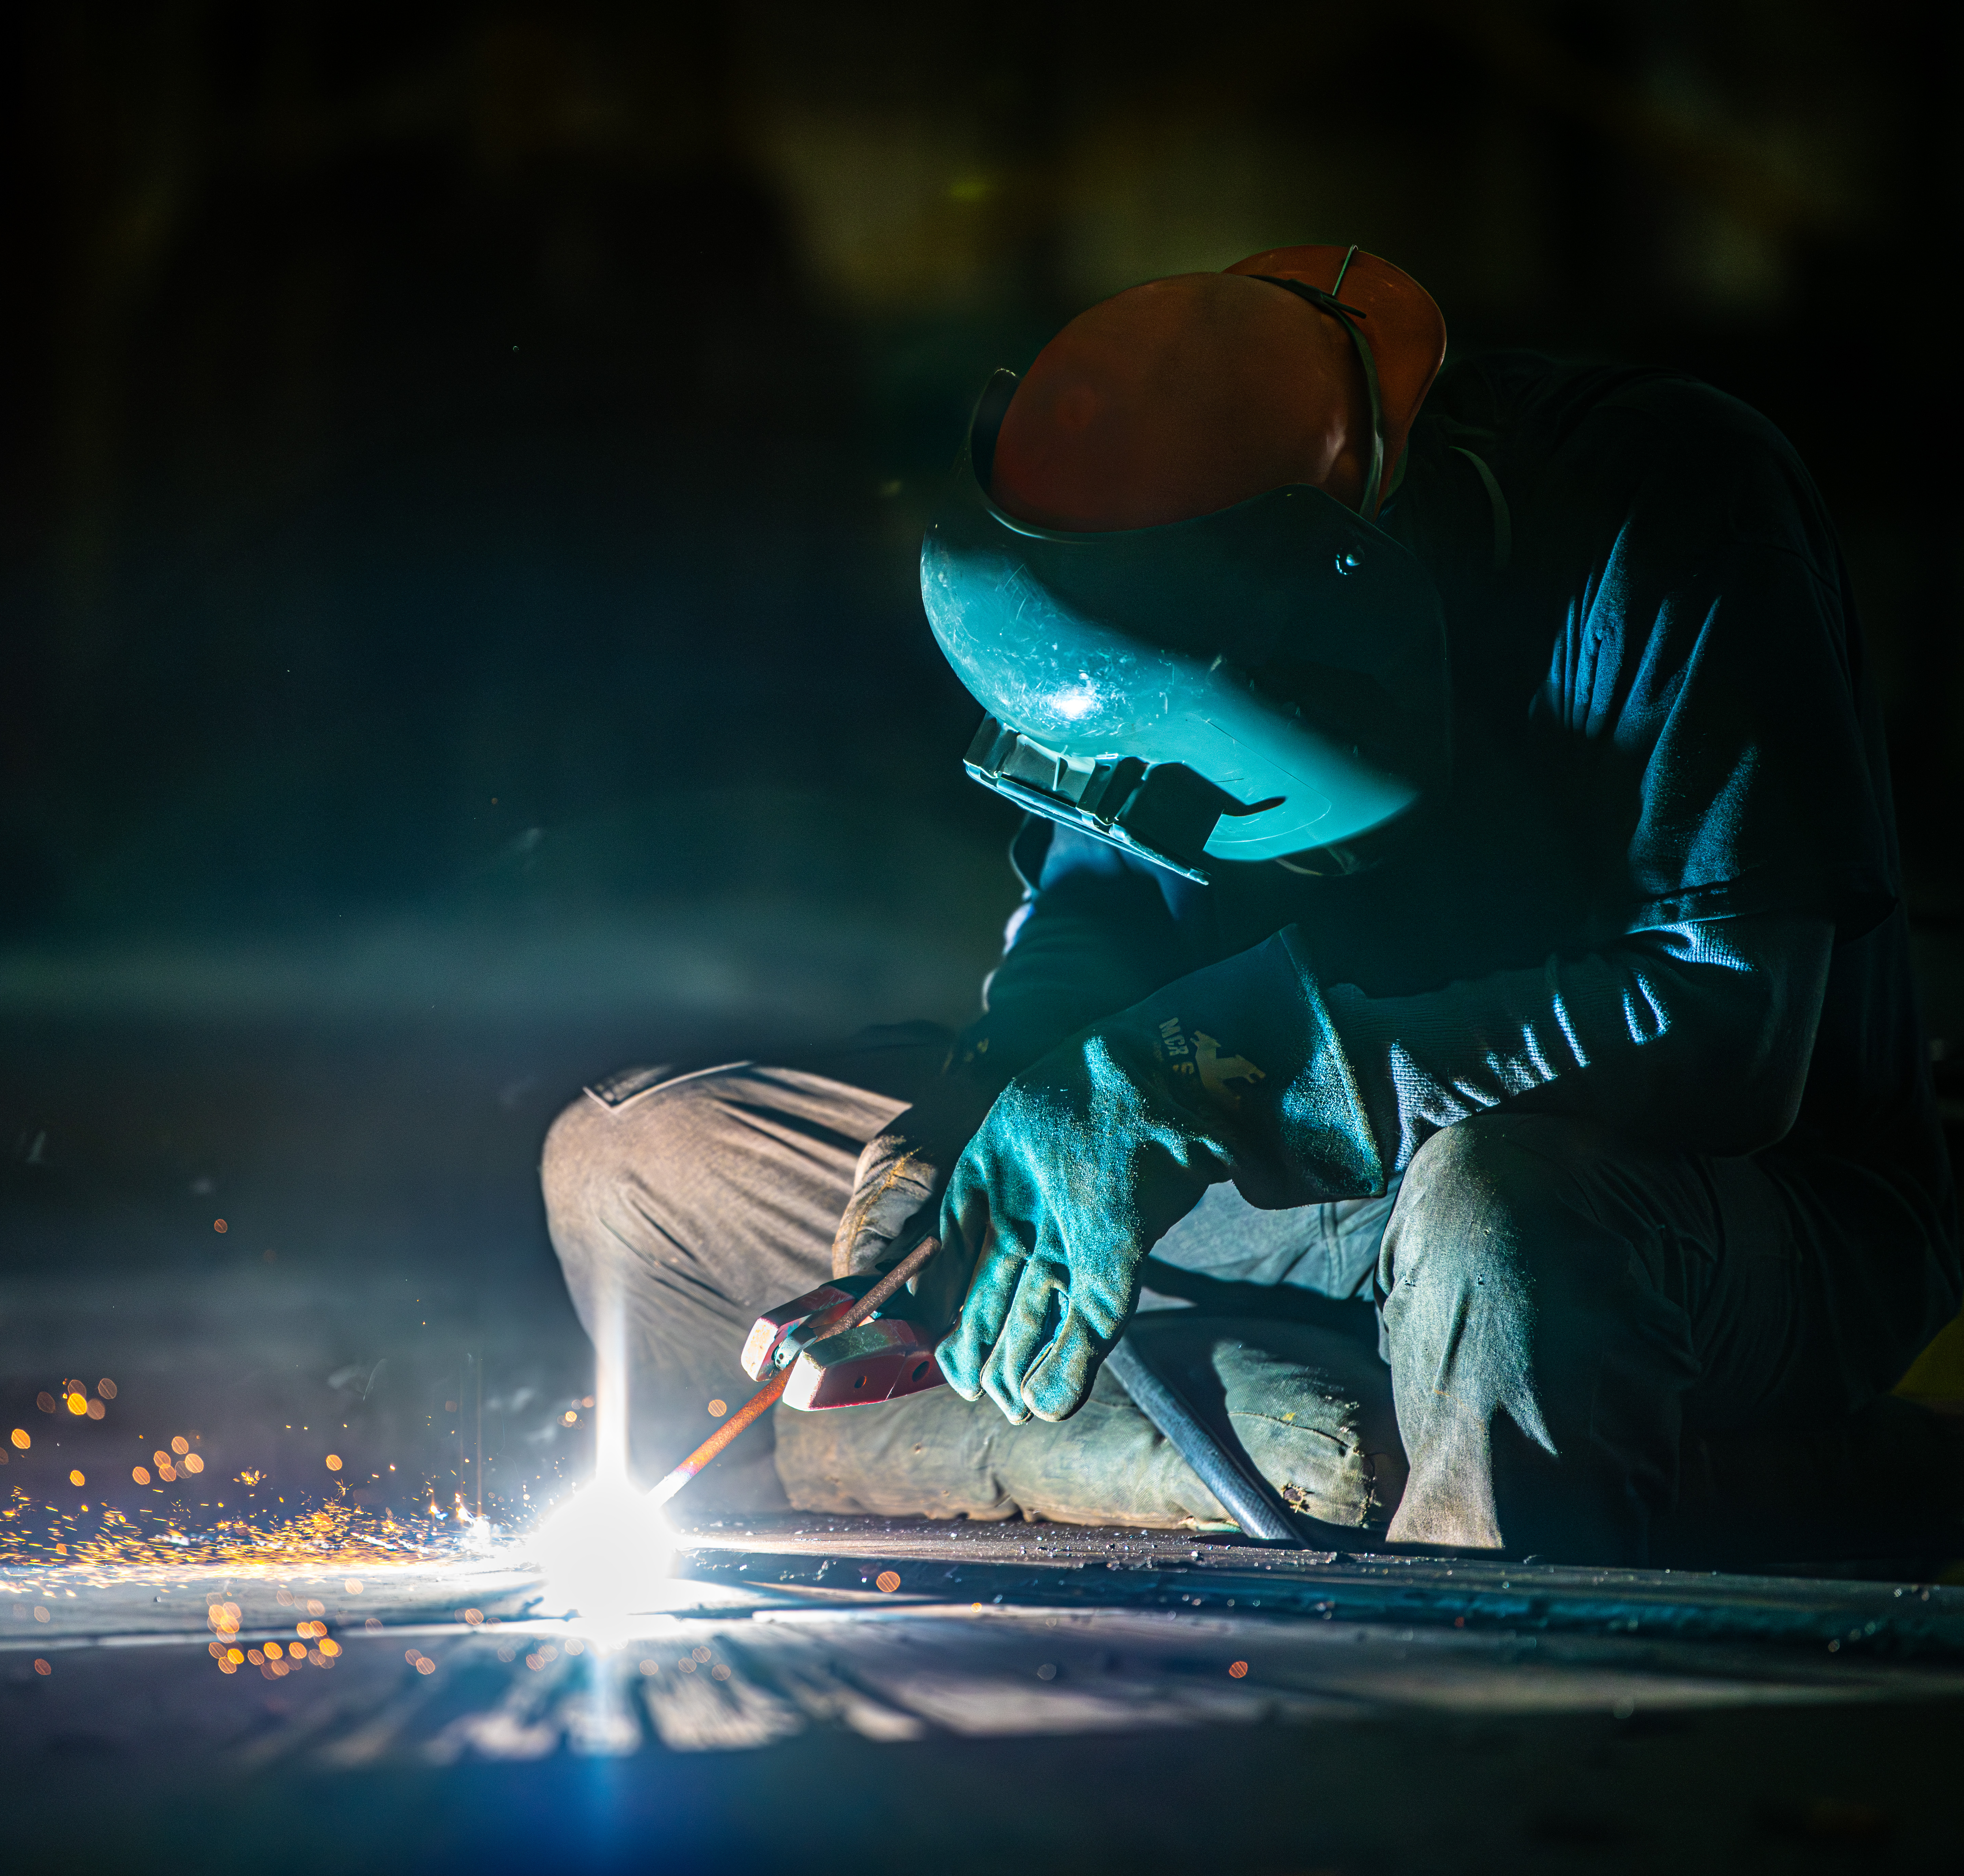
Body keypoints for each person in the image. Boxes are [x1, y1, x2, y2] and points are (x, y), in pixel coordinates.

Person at [542, 245, 1957, 1563]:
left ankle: (1453, 1599)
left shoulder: (1668, 501)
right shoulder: (1126, 535)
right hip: (1254, 1189)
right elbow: (1095, 915)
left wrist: (1187, 1078)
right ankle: (1251, 1444)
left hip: (1682, 1210)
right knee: (639, 1162)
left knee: (1499, 1222)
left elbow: (1726, 1025)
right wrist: (970, 1119)